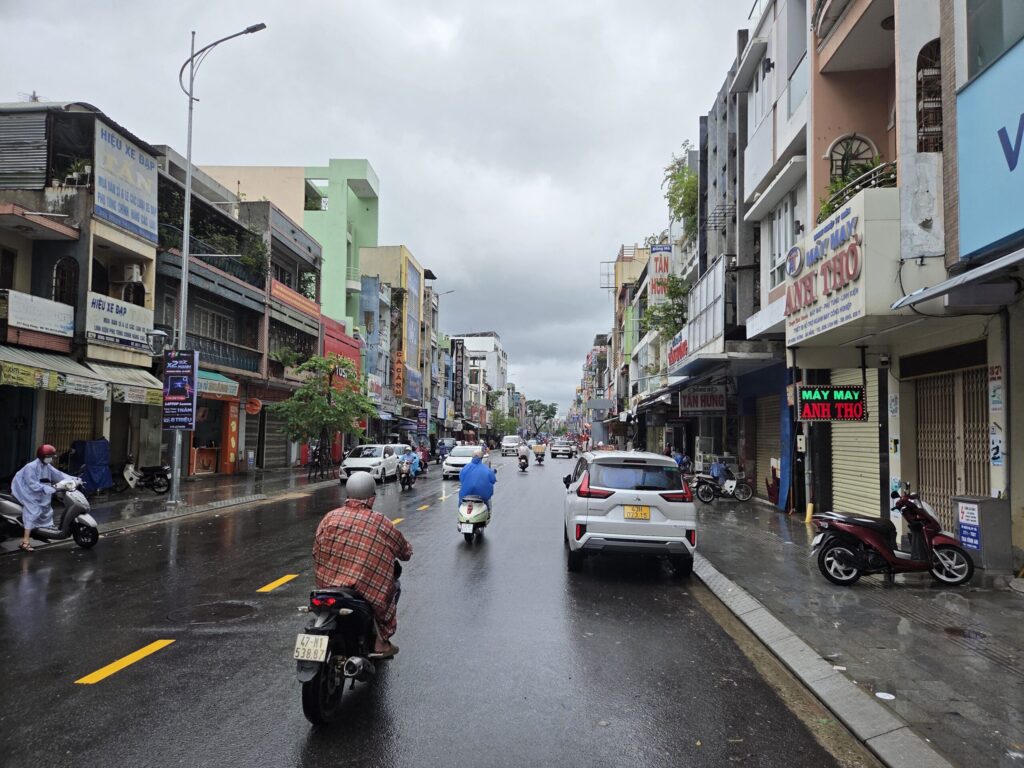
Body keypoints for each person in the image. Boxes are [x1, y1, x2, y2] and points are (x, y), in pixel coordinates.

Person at [313, 473, 413, 659]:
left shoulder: (329, 518)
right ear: (372, 498)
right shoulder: (380, 521)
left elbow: (316, 549)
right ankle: (381, 642)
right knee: (392, 588)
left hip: (327, 584)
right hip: (360, 589)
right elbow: (404, 551)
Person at [11, 445, 77, 553]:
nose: (51, 458)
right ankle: (25, 541)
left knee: (46, 509)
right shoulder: (30, 467)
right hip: (26, 491)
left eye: (51, 456)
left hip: (40, 491)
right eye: (49, 456)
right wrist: (49, 488)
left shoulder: (47, 465)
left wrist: (74, 479)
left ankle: (40, 533)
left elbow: (58, 474)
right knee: (33, 511)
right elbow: (32, 484)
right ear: (42, 456)